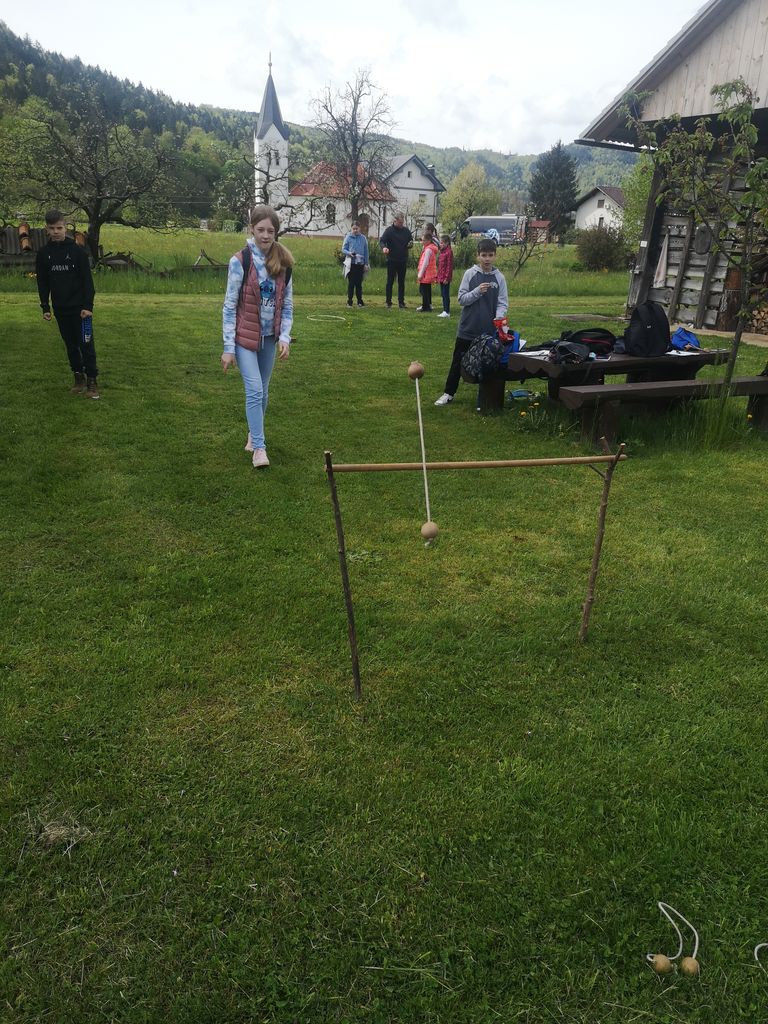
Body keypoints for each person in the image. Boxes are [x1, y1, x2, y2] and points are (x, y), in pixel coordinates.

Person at [221, 205, 294, 469]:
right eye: (260, 230)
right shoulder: (240, 261)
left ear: (276, 232)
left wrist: (284, 337)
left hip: (269, 339)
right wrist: (228, 347)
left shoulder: (283, 263)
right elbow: (230, 306)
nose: (265, 235)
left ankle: (254, 433)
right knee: (254, 390)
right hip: (244, 338)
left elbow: (287, 305)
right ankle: (259, 449)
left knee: (263, 392)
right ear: (252, 229)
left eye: (270, 231)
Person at [434, 237, 508, 406]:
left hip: (488, 331)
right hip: (468, 328)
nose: (487, 259)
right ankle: (448, 393)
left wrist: (499, 317)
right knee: (457, 362)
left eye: (490, 255)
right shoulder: (470, 274)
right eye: (484, 255)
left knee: (487, 363)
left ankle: (485, 398)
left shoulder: (499, 278)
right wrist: (477, 292)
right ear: (478, 256)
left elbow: (502, 303)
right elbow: (462, 299)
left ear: (495, 256)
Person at [36, 209, 100, 398]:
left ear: (65, 227)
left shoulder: (78, 252)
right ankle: (78, 378)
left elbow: (88, 282)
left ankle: (92, 381)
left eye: (59, 228)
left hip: (81, 310)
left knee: (86, 344)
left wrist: (88, 306)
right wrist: (45, 307)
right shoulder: (43, 254)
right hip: (60, 308)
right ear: (47, 229)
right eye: (52, 228)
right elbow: (43, 282)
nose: (56, 232)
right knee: (71, 345)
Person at [379, 213, 413, 308]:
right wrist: (384, 248)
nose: (402, 224)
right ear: (395, 221)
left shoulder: (406, 231)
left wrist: (410, 244)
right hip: (392, 260)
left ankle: (401, 302)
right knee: (390, 281)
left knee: (401, 282)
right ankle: (388, 302)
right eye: (400, 222)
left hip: (403, 260)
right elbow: (382, 241)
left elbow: (410, 241)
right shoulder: (389, 231)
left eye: (402, 222)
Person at [341, 221, 369, 307]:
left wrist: (366, 264)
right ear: (351, 229)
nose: (355, 230)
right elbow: (343, 249)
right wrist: (349, 253)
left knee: (359, 284)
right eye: (353, 229)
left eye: (357, 228)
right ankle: (349, 301)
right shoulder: (348, 237)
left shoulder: (363, 238)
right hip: (351, 264)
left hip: (360, 264)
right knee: (351, 283)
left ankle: (360, 301)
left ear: (359, 228)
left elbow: (366, 252)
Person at [416, 231, 438, 312]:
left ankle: (426, 307)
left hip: (426, 273)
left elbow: (425, 263)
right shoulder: (429, 248)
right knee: (427, 289)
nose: (422, 242)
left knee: (423, 290)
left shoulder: (428, 250)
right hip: (429, 273)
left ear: (428, 241)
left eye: (423, 240)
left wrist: (420, 274)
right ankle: (428, 304)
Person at [436, 234, 454, 318]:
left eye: (442, 243)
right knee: (443, 294)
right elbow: (440, 266)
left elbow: (449, 266)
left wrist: (447, 277)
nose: (440, 244)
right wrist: (438, 276)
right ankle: (444, 310)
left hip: (445, 278)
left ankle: (447, 311)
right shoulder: (442, 252)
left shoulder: (449, 252)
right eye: (440, 243)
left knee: (445, 294)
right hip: (441, 276)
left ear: (447, 243)